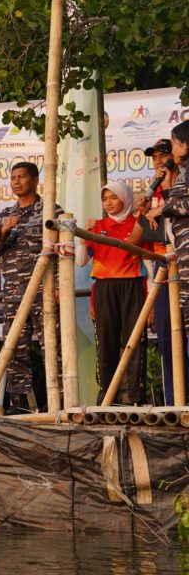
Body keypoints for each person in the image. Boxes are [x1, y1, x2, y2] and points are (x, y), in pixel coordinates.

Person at [0, 162, 63, 413]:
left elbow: (61, 251)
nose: (16, 182)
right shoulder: (5, 215)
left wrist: (58, 285)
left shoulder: (51, 211)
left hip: (44, 291)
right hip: (15, 294)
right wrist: (3, 232)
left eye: (22, 177)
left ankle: (58, 401)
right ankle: (20, 405)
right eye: (13, 178)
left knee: (53, 346)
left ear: (35, 180)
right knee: (15, 348)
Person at [76, 181, 146, 404]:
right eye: (105, 199)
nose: (108, 203)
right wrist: (84, 235)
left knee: (133, 342)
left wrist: (152, 299)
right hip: (105, 288)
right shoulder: (97, 225)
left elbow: (150, 263)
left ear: (125, 198)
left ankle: (133, 396)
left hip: (133, 287)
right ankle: (107, 396)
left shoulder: (139, 224)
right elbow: (80, 262)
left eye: (113, 198)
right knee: (106, 342)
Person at [138, 138, 185, 404]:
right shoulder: (155, 194)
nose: (157, 161)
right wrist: (143, 212)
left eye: (162, 155)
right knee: (167, 338)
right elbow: (139, 239)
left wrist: (166, 197)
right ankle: (172, 402)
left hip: (184, 261)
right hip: (163, 265)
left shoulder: (184, 186)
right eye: (153, 157)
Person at [152, 121, 189, 383]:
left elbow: (183, 205)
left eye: (174, 144)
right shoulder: (183, 172)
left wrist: (163, 209)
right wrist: (165, 188)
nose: (173, 149)